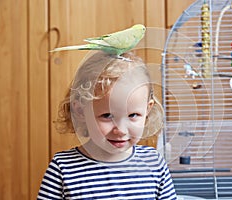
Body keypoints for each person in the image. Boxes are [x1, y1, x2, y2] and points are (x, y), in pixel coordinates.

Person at [37, 51, 177, 199]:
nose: (121, 130)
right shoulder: (63, 169)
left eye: (133, 115)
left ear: (147, 109)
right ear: (80, 111)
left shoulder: (154, 163)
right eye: (107, 116)